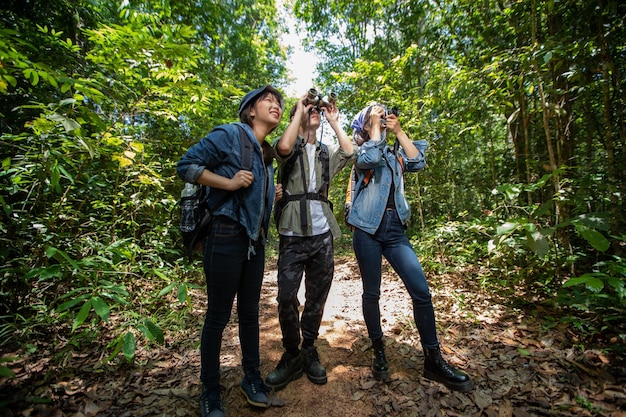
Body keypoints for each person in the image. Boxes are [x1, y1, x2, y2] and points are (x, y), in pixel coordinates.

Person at [347, 104, 473, 392]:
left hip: (395, 229)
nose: (380, 117)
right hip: (367, 228)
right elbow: (368, 159)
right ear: (364, 126)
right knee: (372, 292)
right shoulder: (362, 151)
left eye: (382, 113)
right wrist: (376, 128)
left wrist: (399, 130)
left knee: (421, 291)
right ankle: (379, 351)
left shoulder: (395, 153)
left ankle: (433, 359)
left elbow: (418, 162)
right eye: (373, 116)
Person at [176, 85, 284, 417]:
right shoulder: (230, 134)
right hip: (224, 234)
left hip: (255, 243)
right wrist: (228, 183)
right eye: (268, 100)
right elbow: (186, 165)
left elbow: (254, 197)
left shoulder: (266, 154)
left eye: (279, 102)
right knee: (218, 316)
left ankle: (251, 378)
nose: (276, 105)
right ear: (250, 110)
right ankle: (210, 391)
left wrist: (271, 196)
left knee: (250, 314)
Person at [265, 92, 356, 391]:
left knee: (317, 297)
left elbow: (350, 152)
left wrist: (333, 121)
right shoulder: (292, 145)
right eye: (310, 109)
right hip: (292, 235)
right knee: (286, 297)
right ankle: (292, 354)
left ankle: (309, 348)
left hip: (321, 236)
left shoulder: (325, 152)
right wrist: (299, 112)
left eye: (317, 109)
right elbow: (283, 147)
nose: (314, 111)